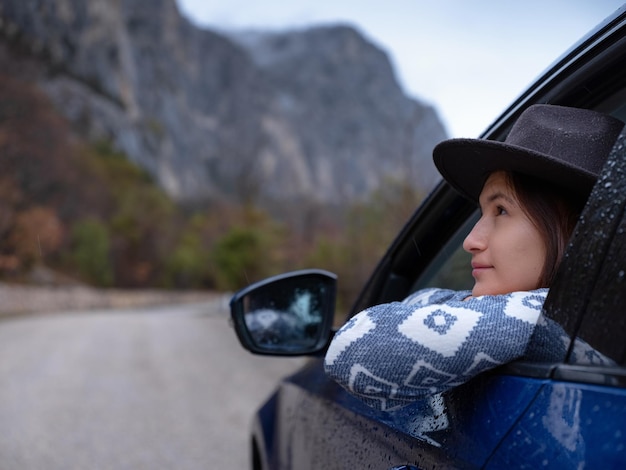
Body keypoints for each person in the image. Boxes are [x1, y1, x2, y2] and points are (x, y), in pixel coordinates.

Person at [324, 104, 624, 411]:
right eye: (482, 213)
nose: (470, 241)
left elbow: (350, 349)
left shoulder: (544, 320)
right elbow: (423, 302)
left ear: (581, 230)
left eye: (502, 211)